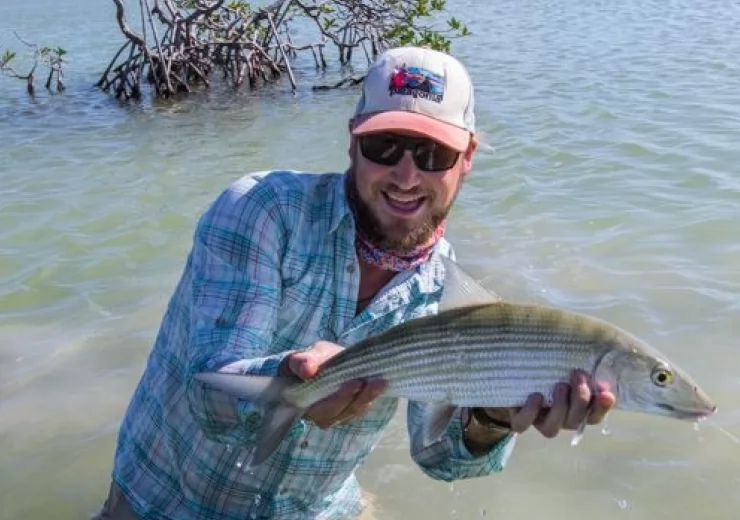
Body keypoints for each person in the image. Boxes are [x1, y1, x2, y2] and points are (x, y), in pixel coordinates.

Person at [94, 45, 615, 520]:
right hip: (164, 503)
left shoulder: (448, 289)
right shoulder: (262, 210)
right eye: (385, 146)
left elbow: (441, 460)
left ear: (468, 159)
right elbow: (209, 396)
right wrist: (291, 377)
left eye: (433, 155)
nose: (406, 177)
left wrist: (494, 414)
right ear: (352, 141)